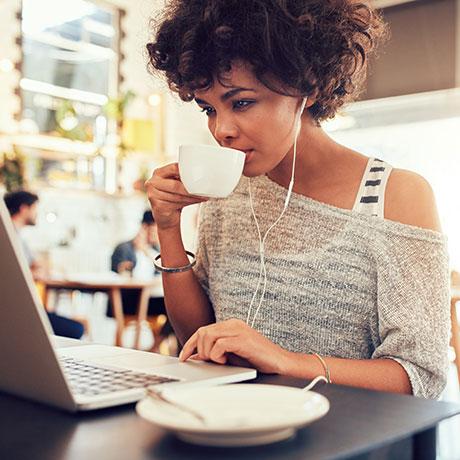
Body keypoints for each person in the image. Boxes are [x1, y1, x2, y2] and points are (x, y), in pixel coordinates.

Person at [144, 0, 449, 398]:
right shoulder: (228, 191)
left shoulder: (396, 197)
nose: (222, 130)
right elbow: (199, 338)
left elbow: (422, 377)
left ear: (306, 86)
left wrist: (286, 361)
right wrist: (168, 228)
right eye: (208, 109)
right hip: (233, 425)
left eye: (241, 103)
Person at [4, 190, 84, 339]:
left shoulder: (19, 237)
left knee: (75, 327)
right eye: (35, 208)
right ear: (24, 209)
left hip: (23, 307)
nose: (37, 214)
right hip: (14, 310)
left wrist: (32, 271)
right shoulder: (7, 237)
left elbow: (37, 265)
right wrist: (31, 273)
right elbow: (14, 275)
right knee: (76, 330)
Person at [109, 211, 170, 339]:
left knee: (177, 309)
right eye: (156, 229)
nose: (159, 234)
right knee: (174, 309)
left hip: (149, 298)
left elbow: (164, 270)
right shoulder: (124, 248)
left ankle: (155, 348)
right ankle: (154, 349)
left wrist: (145, 249)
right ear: (145, 227)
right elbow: (122, 276)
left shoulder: (154, 250)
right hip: (129, 301)